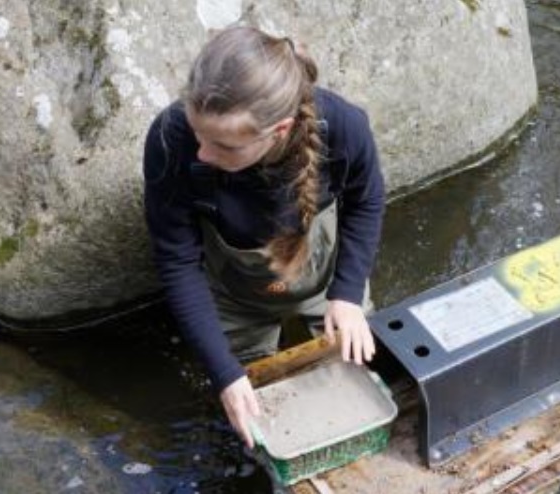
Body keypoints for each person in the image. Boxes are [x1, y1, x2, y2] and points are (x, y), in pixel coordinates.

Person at [142, 26, 385, 449]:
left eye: (222, 145)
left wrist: (346, 294)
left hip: (325, 281)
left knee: (356, 374)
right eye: (198, 134)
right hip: (235, 298)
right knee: (251, 412)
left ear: (279, 130)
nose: (202, 153)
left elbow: (367, 201)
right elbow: (177, 261)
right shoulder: (171, 141)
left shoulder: (343, 127)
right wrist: (225, 373)